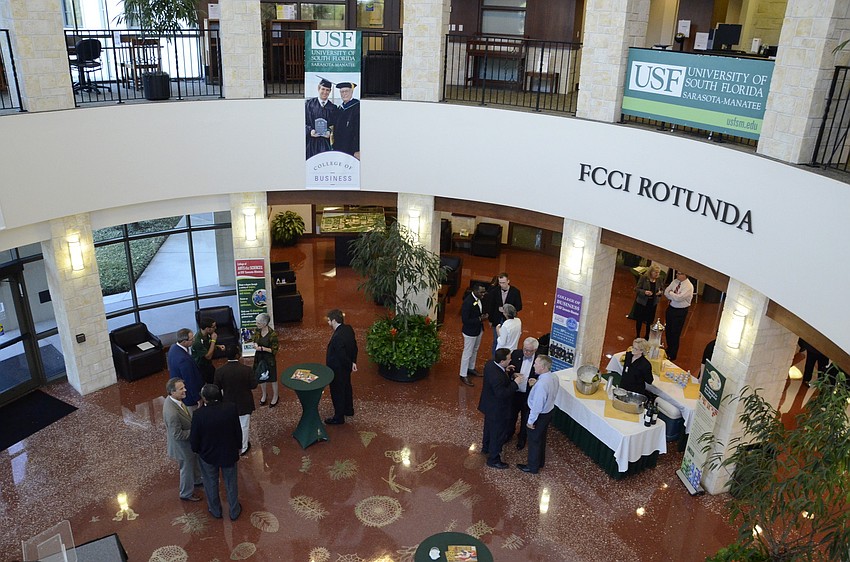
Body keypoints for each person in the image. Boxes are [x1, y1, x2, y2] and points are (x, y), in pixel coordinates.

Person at [190, 384, 243, 521]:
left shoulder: (198, 414)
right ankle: (234, 511)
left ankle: (215, 510)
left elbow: (195, 438)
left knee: (210, 482)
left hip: (208, 456)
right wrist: (238, 446)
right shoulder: (230, 408)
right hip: (229, 453)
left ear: (205, 399)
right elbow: (237, 430)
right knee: (231, 483)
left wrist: (196, 450)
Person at [477, 348, 521, 469]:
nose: (511, 359)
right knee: (498, 434)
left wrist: (505, 371)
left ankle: (486, 448)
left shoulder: (490, 364)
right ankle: (494, 459)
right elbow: (502, 393)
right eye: (508, 358)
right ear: (502, 361)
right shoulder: (498, 377)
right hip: (498, 410)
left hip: (488, 406)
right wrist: (515, 383)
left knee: (488, 429)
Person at [163, 377, 202, 502]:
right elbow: (177, 435)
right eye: (181, 389)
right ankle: (186, 493)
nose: (185, 390)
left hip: (186, 446)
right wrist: (195, 431)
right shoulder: (172, 413)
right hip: (182, 448)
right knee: (186, 470)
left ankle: (197, 480)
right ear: (172, 392)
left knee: (193, 463)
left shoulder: (173, 401)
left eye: (184, 387)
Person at [518, 355, 559, 474]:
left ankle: (532, 466)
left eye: (536, 363)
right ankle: (540, 461)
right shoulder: (553, 377)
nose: (534, 365)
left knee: (534, 441)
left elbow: (537, 406)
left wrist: (530, 422)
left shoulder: (541, 385)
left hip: (539, 415)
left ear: (544, 367)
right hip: (548, 412)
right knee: (541, 438)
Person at [214, 345, 258, 456]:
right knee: (244, 426)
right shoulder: (246, 370)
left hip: (228, 403)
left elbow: (216, 388)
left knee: (231, 426)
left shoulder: (219, 371)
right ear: (238, 355)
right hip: (244, 402)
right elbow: (253, 385)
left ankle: (233, 444)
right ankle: (243, 447)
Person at [325, 309, 358, 425]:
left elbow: (341, 356)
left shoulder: (337, 337)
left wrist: (349, 363)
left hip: (337, 369)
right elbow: (354, 346)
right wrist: (353, 362)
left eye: (329, 320)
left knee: (337, 391)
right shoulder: (348, 329)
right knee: (347, 387)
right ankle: (348, 409)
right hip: (346, 368)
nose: (328, 323)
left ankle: (338, 417)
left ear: (334, 320)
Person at [509, 337, 539, 450]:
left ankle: (522, 438)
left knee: (525, 418)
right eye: (525, 349)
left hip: (528, 395)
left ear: (535, 350)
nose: (526, 352)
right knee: (511, 416)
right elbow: (509, 369)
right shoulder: (516, 354)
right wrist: (513, 375)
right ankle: (509, 433)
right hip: (515, 393)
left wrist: (536, 382)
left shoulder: (539, 360)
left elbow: (542, 376)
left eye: (529, 351)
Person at [460, 284, 488, 387]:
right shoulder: (468, 302)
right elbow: (465, 320)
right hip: (470, 332)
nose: (483, 294)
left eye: (484, 292)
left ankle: (471, 368)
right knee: (467, 352)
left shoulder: (479, 299)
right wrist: (480, 319)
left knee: (475, 349)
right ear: (475, 291)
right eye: (481, 292)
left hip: (478, 329)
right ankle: (463, 374)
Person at [487, 273, 523, 355]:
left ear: (508, 281)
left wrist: (509, 310)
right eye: (500, 283)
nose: (501, 285)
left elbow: (519, 306)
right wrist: (490, 320)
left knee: (509, 340)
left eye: (503, 282)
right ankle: (495, 358)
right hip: (497, 319)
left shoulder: (515, 292)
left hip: (509, 318)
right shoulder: (495, 291)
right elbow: (491, 306)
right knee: (497, 340)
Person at [168, 328, 203, 409]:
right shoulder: (184, 360)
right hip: (189, 397)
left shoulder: (173, 348)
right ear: (184, 342)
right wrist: (197, 398)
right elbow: (189, 380)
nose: (194, 340)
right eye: (191, 339)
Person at [663, 270, 694, 361]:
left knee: (675, 333)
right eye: (677, 273)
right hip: (671, 308)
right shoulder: (675, 281)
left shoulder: (688, 286)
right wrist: (673, 294)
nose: (677, 274)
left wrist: (672, 293)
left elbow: (679, 298)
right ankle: (668, 349)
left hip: (680, 311)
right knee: (668, 330)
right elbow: (666, 292)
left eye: (679, 273)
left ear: (685, 275)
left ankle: (672, 354)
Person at [305, 78, 338, 159]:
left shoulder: (333, 108)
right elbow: (303, 122)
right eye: (323, 89)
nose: (325, 92)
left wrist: (329, 132)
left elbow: (335, 125)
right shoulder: (309, 104)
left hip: (325, 143)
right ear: (318, 88)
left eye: (327, 90)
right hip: (311, 142)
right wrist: (310, 131)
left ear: (330, 91)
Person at [251, 312, 279, 407]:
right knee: (261, 375)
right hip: (259, 357)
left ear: (264, 324)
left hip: (269, 358)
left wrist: (262, 348)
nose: (256, 324)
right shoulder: (257, 331)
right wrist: (255, 345)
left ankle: (275, 396)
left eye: (258, 323)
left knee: (272, 377)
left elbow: (274, 350)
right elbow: (254, 339)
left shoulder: (272, 334)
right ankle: (264, 394)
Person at [630, 264, 664, 339]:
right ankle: (638, 335)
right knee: (639, 319)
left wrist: (660, 292)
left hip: (652, 303)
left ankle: (647, 335)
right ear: (651, 272)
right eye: (655, 272)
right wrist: (645, 292)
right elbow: (637, 289)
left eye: (658, 273)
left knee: (650, 320)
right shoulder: (644, 278)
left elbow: (662, 289)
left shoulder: (659, 279)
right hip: (642, 302)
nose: (657, 274)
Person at [332, 82, 360, 159]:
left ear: (352, 92)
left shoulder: (357, 107)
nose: (344, 94)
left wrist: (357, 149)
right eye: (342, 92)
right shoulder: (339, 109)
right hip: (339, 148)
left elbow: (358, 130)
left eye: (346, 91)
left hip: (352, 149)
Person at [192, 317, 223, 385]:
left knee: (216, 379)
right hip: (201, 366)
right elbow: (208, 356)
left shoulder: (207, 334)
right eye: (213, 327)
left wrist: (217, 346)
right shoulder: (197, 341)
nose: (216, 328)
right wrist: (213, 340)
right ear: (207, 329)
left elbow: (207, 346)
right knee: (210, 383)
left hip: (208, 363)